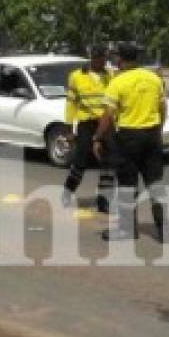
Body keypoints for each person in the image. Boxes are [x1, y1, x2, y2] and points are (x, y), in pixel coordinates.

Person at [93, 42, 169, 242]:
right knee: (155, 182)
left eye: (116, 56)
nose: (115, 60)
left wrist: (98, 138)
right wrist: (157, 130)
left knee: (128, 184)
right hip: (152, 135)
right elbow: (163, 109)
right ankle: (163, 230)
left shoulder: (118, 82)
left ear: (121, 59)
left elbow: (108, 115)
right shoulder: (154, 79)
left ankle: (128, 230)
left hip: (129, 137)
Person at [61, 45, 114, 213]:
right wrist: (69, 129)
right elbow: (71, 104)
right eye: (99, 58)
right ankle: (68, 192)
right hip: (86, 123)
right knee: (81, 161)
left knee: (108, 164)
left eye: (104, 58)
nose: (102, 61)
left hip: (105, 123)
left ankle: (103, 200)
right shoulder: (76, 76)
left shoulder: (110, 76)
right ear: (92, 58)